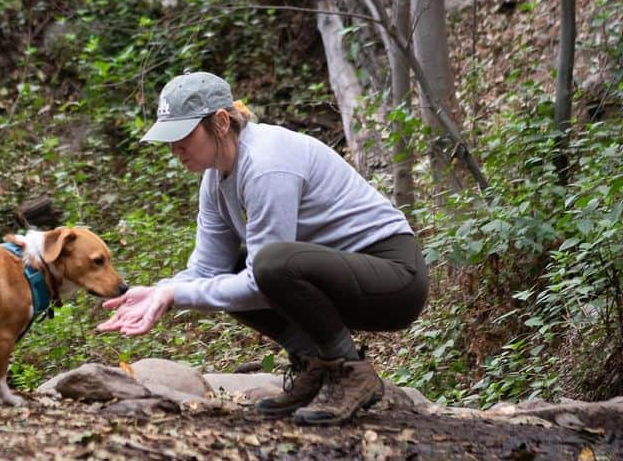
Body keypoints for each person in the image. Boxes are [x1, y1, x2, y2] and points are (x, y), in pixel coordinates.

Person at [97, 71, 429, 425]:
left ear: (221, 122)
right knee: (242, 270)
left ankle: (348, 372)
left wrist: (176, 295)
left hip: (394, 280)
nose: (174, 148)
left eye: (183, 135)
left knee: (271, 265)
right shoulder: (215, 178)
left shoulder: (267, 165)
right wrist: (161, 291)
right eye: (168, 137)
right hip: (339, 275)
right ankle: (314, 365)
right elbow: (208, 270)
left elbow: (260, 279)